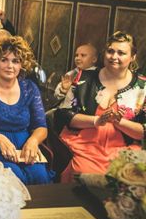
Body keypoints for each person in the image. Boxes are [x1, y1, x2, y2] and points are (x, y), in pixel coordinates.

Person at [56, 31, 146, 182]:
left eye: (121, 53)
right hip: (85, 144)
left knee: (131, 178)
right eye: (110, 51)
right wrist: (96, 120)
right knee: (84, 173)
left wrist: (120, 122)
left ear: (133, 57)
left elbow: (143, 132)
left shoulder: (142, 87)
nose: (114, 57)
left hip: (124, 149)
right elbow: (64, 115)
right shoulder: (84, 77)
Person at [0, 36, 54, 185]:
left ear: (22, 65)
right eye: (4, 60)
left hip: (23, 144)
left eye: (15, 61)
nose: (9, 66)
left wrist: (33, 140)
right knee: (15, 177)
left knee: (40, 177)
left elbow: (41, 127)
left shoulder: (30, 88)